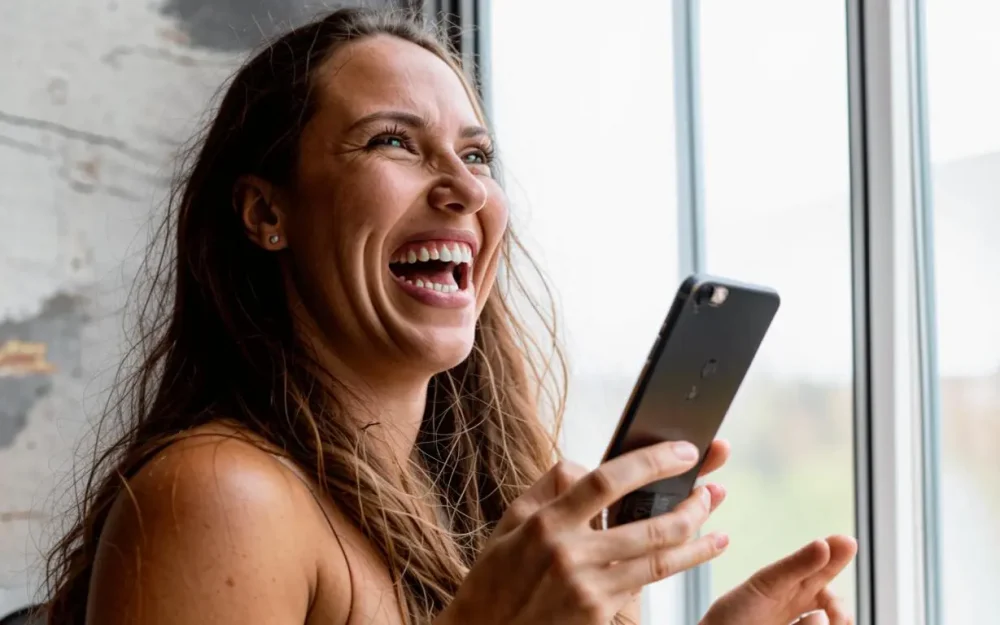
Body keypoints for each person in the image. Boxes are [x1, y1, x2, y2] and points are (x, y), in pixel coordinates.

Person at [43, 7, 856, 625]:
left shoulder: (470, 500)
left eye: (475, 155)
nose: (466, 188)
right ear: (266, 212)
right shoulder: (222, 495)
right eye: (391, 142)